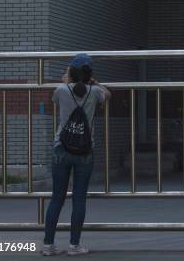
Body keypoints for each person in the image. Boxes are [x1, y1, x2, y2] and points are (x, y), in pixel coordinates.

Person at [42, 53, 111, 256]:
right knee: (79, 199)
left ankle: (48, 245)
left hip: (61, 149)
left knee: (57, 198)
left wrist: (66, 80)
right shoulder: (95, 91)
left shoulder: (61, 90)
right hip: (85, 151)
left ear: (70, 72)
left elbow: (55, 99)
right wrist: (94, 82)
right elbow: (108, 95)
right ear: (89, 74)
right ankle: (74, 245)